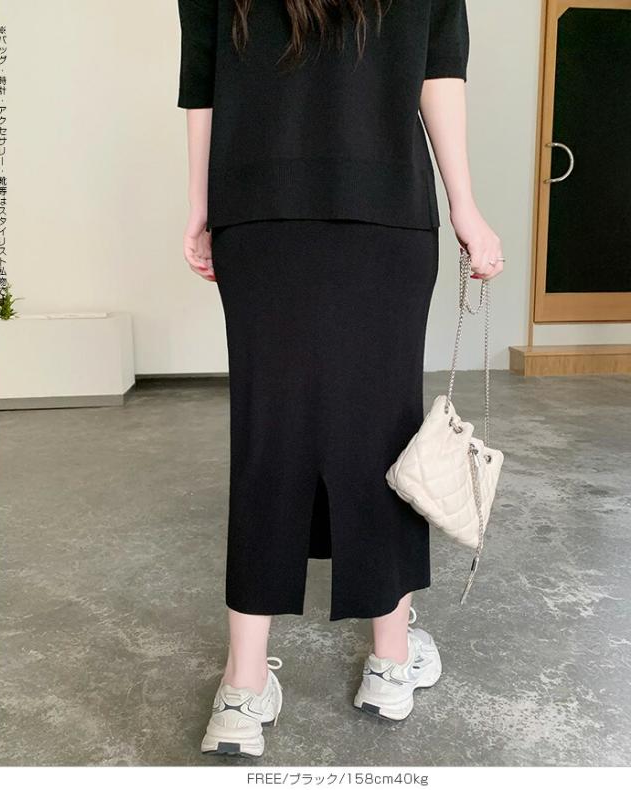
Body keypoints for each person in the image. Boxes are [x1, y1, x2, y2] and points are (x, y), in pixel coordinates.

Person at [177, 0, 504, 758]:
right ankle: (391, 662)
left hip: (257, 213)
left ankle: (242, 689)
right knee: (383, 434)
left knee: (268, 439)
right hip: (384, 211)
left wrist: (200, 209)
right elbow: (438, 73)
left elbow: (203, 83)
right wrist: (465, 206)